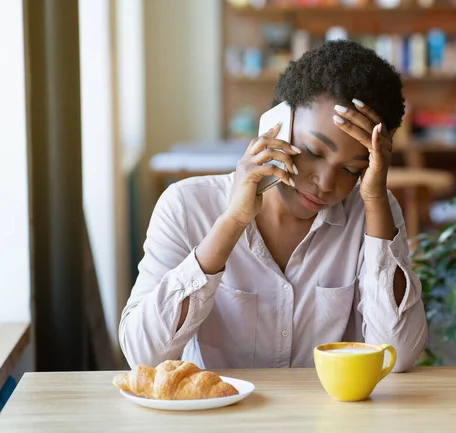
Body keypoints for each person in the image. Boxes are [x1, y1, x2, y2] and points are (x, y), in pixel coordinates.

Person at [119, 40, 427, 372]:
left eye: (351, 169)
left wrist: (376, 200)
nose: (325, 183)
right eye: (313, 151)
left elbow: (397, 354)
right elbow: (142, 355)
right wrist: (233, 221)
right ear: (275, 125)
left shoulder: (371, 210)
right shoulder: (186, 206)